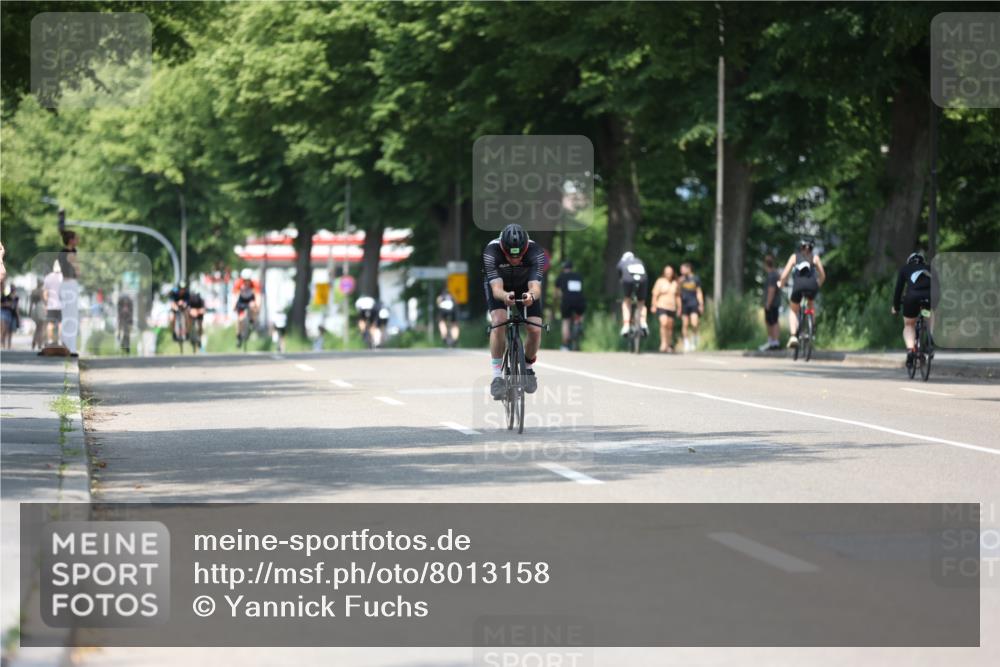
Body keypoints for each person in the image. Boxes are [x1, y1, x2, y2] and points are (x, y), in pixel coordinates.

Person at [484, 223, 544, 399]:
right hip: (500, 287)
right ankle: (497, 376)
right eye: (510, 256)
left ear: (525, 249)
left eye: (519, 256)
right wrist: (505, 296)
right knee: (499, 322)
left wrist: (530, 296)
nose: (515, 260)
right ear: (503, 248)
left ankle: (528, 367)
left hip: (525, 286)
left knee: (535, 328)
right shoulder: (491, 252)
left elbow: (536, 287)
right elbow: (496, 289)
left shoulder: (535, 252)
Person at [777, 238, 826, 348]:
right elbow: (822, 275)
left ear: (801, 247)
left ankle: (793, 336)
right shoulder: (815, 258)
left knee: (794, 310)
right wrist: (817, 285)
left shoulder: (794, 257)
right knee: (811, 306)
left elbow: (784, 275)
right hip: (812, 286)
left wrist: (781, 284)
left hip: (798, 286)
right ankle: (812, 329)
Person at [892, 251, 933, 370]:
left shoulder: (905, 269)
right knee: (929, 314)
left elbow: (898, 290)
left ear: (909, 261)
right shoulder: (930, 268)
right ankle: (930, 337)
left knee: (909, 324)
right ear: (923, 262)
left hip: (912, 298)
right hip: (929, 297)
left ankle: (911, 350)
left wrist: (896, 307)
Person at [554, 260, 586, 350]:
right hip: (580, 301)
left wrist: (557, 300)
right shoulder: (578, 276)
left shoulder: (561, 276)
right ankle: (578, 324)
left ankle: (565, 345)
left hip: (566, 301)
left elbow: (556, 293)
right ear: (571, 268)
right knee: (580, 314)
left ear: (563, 268)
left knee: (566, 321)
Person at [58, 230, 81, 357]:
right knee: (72, 317)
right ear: (71, 240)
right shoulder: (71, 253)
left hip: (64, 285)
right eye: (76, 238)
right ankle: (71, 348)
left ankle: (66, 345)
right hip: (70, 285)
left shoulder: (62, 252)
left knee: (66, 316)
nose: (78, 240)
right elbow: (78, 271)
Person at [617, 251, 649, 337]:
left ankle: (626, 325)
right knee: (641, 302)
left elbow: (620, 276)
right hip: (642, 280)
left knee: (626, 301)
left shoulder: (622, 262)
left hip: (628, 280)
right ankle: (643, 322)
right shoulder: (639, 261)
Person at [651, 265, 680, 353]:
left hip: (672, 307)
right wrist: (653, 305)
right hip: (661, 305)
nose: (668, 274)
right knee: (664, 323)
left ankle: (669, 343)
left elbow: (677, 296)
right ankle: (663, 343)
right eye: (667, 272)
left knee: (670, 326)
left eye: (670, 272)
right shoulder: (660, 281)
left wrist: (679, 307)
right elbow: (655, 294)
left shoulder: (675, 283)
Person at [678, 262, 704, 352]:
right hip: (684, 304)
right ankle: (686, 342)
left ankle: (694, 339)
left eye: (683, 269)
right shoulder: (681, 280)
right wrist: (679, 283)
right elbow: (677, 293)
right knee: (684, 324)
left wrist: (701, 304)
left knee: (694, 323)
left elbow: (699, 292)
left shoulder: (696, 279)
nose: (681, 271)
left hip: (694, 303)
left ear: (689, 269)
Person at [759, 255, 782, 351]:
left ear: (765, 264)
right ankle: (773, 341)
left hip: (772, 303)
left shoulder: (772, 275)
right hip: (775, 302)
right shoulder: (775, 274)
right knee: (772, 321)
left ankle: (773, 342)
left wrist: (768, 303)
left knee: (772, 322)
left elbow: (771, 290)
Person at [42, 260, 63, 351]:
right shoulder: (63, 277)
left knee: (50, 324)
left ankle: (50, 341)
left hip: (51, 305)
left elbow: (45, 293)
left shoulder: (48, 277)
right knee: (61, 324)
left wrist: (46, 304)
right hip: (62, 305)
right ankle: (60, 341)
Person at [234, 269, 259, 344]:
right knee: (240, 319)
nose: (247, 282)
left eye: (248, 280)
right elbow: (235, 295)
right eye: (245, 280)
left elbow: (258, 296)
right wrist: (234, 305)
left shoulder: (255, 284)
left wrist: (257, 306)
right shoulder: (238, 283)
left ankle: (252, 321)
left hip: (250, 299)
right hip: (241, 300)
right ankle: (238, 336)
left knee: (253, 306)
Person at [0, 281, 18, 349]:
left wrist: (18, 317)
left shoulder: (14, 297)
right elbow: (2, 304)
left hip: (10, 313)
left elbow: (15, 307)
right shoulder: (4, 295)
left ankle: (6, 344)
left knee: (7, 330)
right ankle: (2, 343)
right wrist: (6, 304)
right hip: (3, 312)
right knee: (3, 329)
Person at [30, 279, 46, 350]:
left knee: (37, 328)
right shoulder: (41, 291)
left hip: (34, 309)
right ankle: (39, 344)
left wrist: (30, 312)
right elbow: (43, 300)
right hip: (40, 308)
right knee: (41, 328)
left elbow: (31, 303)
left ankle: (34, 343)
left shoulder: (33, 291)